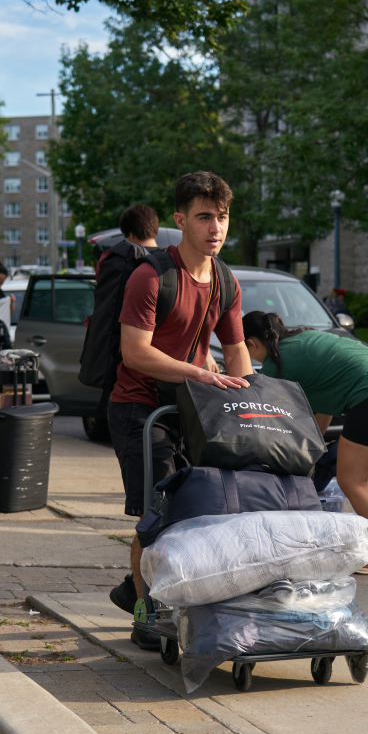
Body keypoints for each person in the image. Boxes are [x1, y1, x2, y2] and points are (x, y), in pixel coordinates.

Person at [105, 172, 254, 649]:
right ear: (180, 220)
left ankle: (137, 586)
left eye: (223, 216)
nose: (216, 227)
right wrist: (198, 374)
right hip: (139, 407)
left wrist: (252, 404)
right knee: (159, 513)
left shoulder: (225, 279)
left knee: (201, 507)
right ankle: (146, 611)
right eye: (204, 216)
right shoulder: (151, 277)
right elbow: (135, 352)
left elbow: (236, 354)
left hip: (188, 407)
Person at [242, 311, 368, 575]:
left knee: (351, 480)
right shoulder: (304, 336)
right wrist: (315, 446)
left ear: (251, 344)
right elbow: (324, 403)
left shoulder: (275, 366)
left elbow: (280, 422)